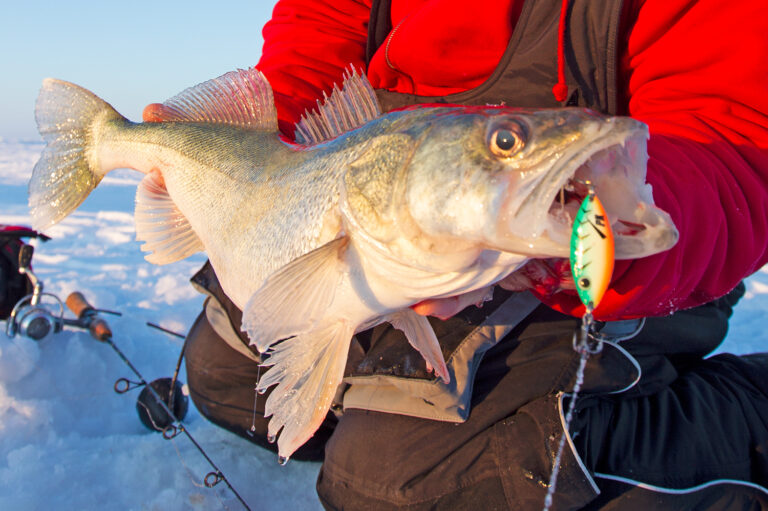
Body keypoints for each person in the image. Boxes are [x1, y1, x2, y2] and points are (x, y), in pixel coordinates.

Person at [145, 0, 768, 508]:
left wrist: (581, 241)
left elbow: (737, 146)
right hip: (393, 200)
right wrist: (252, 158)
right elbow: (321, 31)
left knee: (403, 481)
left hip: (631, 247)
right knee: (227, 376)